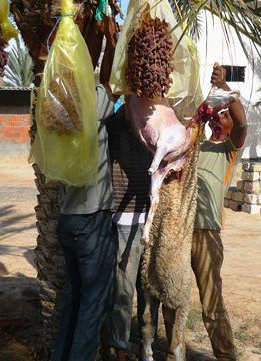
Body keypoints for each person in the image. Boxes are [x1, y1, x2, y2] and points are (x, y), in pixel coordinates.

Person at [52, 83, 118, 361]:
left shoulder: (57, 109)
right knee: (93, 305)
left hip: (68, 220)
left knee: (74, 299)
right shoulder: (90, 101)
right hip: (91, 220)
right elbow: (112, 86)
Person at [192, 63, 247, 361]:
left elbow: (241, 125)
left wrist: (226, 91)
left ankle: (226, 357)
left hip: (206, 232)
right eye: (219, 112)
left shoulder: (229, 149)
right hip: (179, 225)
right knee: (168, 298)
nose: (220, 116)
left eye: (223, 115)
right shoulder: (194, 143)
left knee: (211, 305)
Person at [104, 102, 155, 361]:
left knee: (147, 291)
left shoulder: (152, 124)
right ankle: (120, 349)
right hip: (124, 221)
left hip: (148, 221)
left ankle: (146, 347)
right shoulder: (116, 123)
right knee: (123, 292)